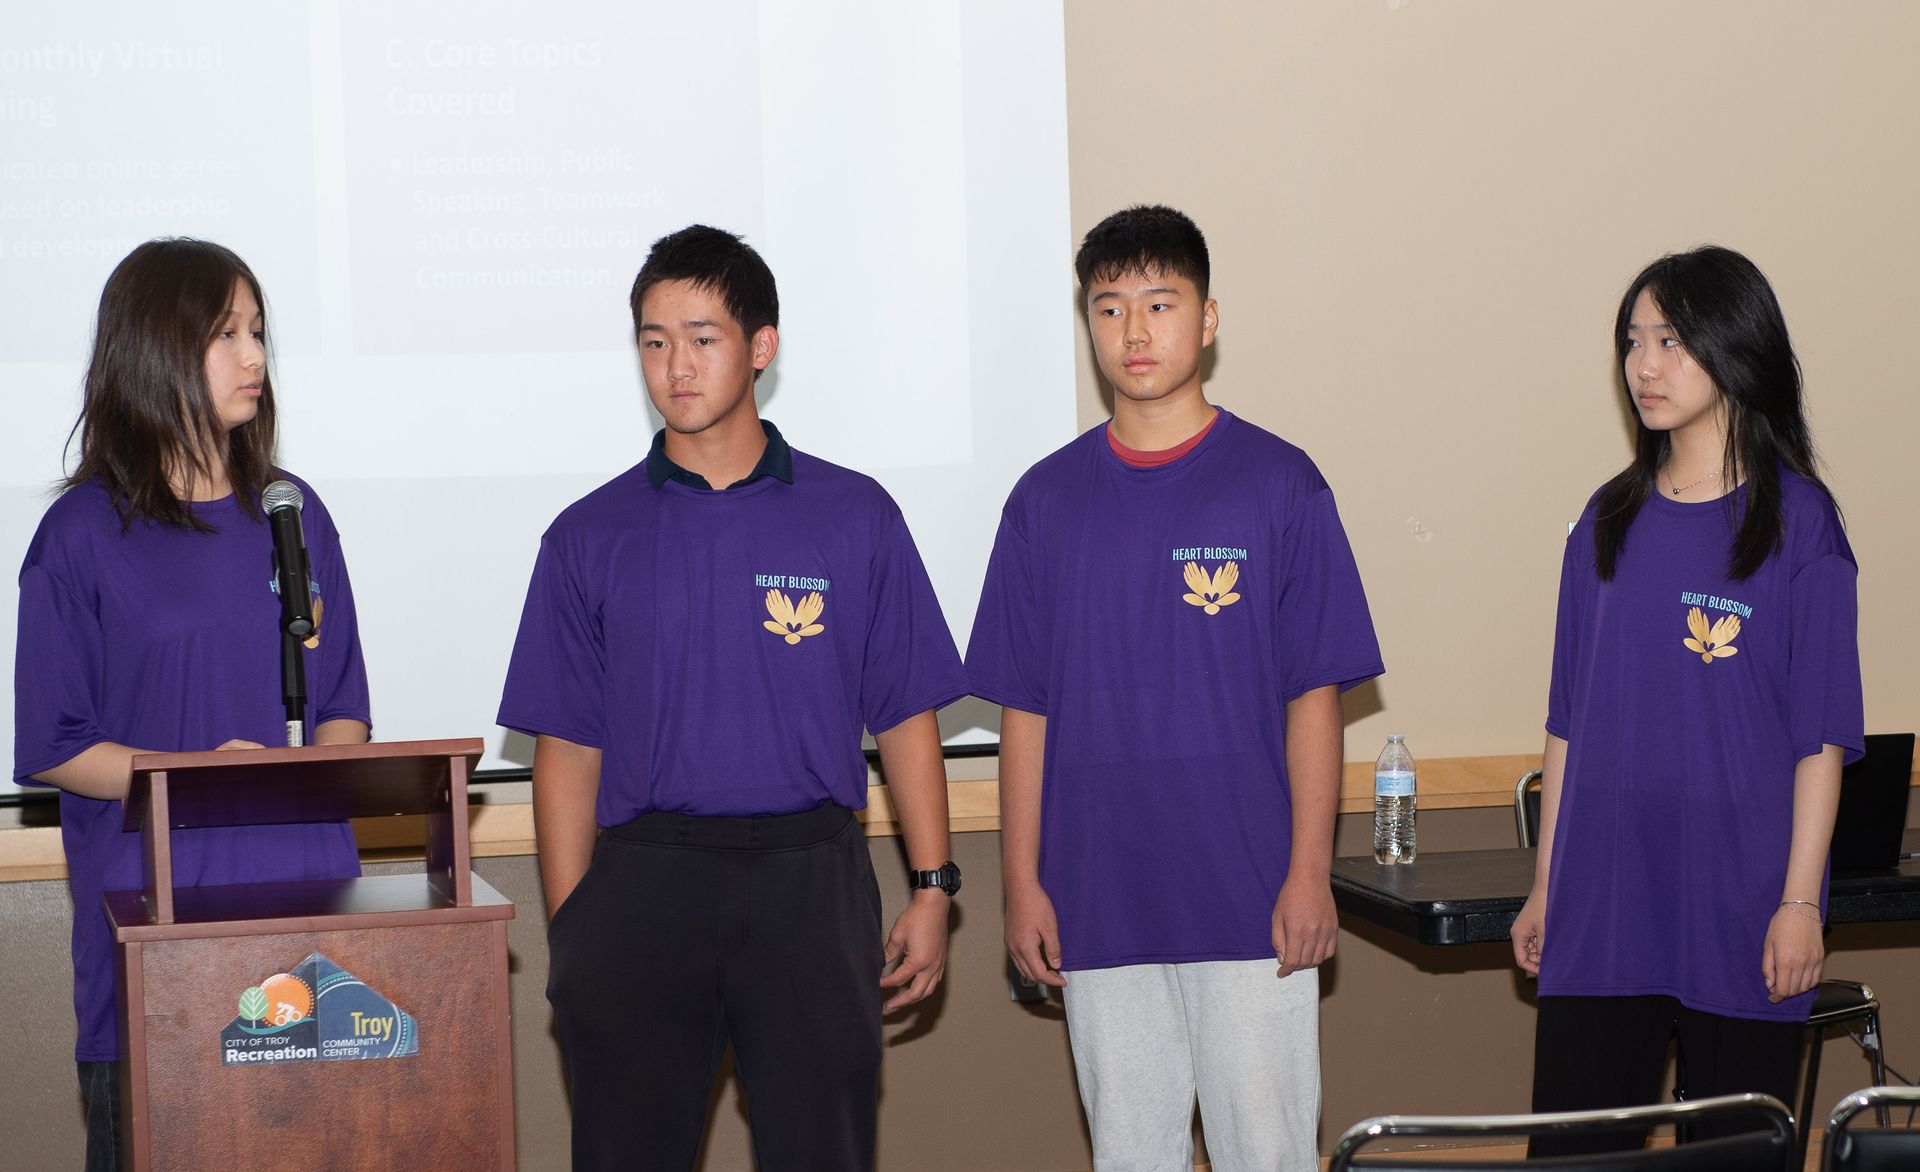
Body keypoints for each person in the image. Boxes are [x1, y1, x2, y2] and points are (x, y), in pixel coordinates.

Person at [497, 224, 967, 1171]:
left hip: (811, 884)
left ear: (761, 346)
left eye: (703, 337)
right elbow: (568, 750)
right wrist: (574, 932)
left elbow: (906, 712)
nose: (676, 365)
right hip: (641, 886)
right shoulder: (588, 537)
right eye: (654, 340)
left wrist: (931, 884)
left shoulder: (855, 514)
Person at [966, 205, 1384, 1171]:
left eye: (1161, 304)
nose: (1136, 331)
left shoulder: (1280, 485)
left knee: (1266, 1155)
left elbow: (1314, 696)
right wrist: (1022, 883)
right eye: (1109, 309)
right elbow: (1022, 711)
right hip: (1096, 898)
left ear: (1208, 319)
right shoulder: (1044, 501)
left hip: (1251, 900)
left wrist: (1310, 871)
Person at [13, 238, 372, 1171]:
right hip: (159, 935)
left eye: (258, 332)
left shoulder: (294, 513)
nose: (255, 356)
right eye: (226, 333)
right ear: (156, 347)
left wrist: (301, 767)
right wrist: (195, 779)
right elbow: (52, 742)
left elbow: (343, 712)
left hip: (305, 929)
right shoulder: (82, 534)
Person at [1510, 245, 1862, 1155]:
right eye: (1633, 340)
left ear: (1735, 348)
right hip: (1604, 909)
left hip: (1742, 910)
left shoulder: (1801, 525)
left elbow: (1819, 736)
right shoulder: (1606, 520)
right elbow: (1566, 722)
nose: (1644, 365)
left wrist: (1800, 904)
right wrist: (1546, 886)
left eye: (1670, 339)